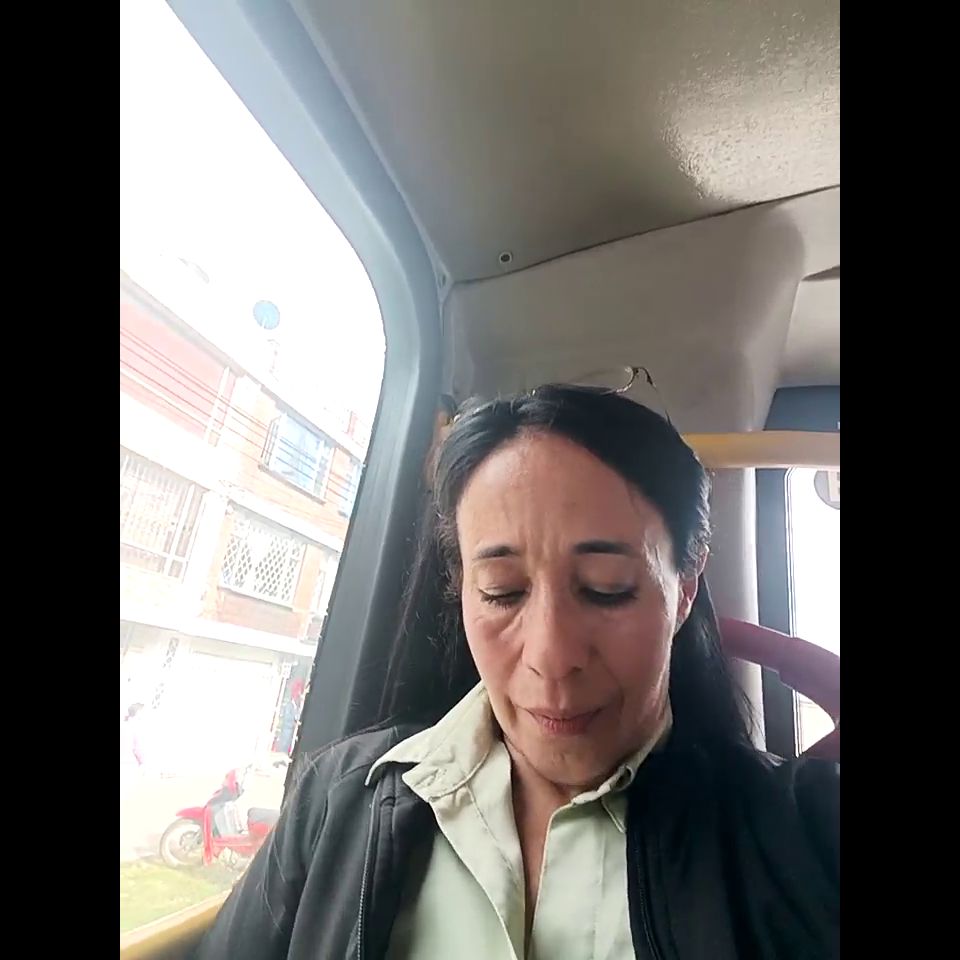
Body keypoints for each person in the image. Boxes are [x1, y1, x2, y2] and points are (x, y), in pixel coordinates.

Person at [197, 385, 839, 960]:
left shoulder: (809, 838)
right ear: (463, 591)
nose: (551, 655)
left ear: (685, 589)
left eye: (607, 588)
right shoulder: (338, 800)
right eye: (502, 592)